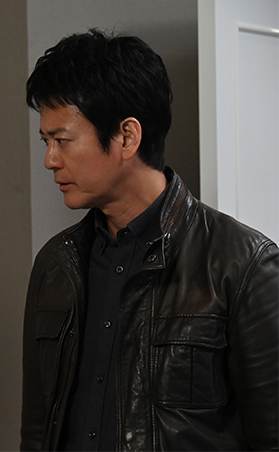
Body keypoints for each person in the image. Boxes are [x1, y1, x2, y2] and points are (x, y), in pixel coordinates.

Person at [20, 29, 278, 451]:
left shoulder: (244, 265)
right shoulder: (56, 265)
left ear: (127, 136)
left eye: (62, 141)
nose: (50, 160)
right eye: (46, 142)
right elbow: (37, 432)